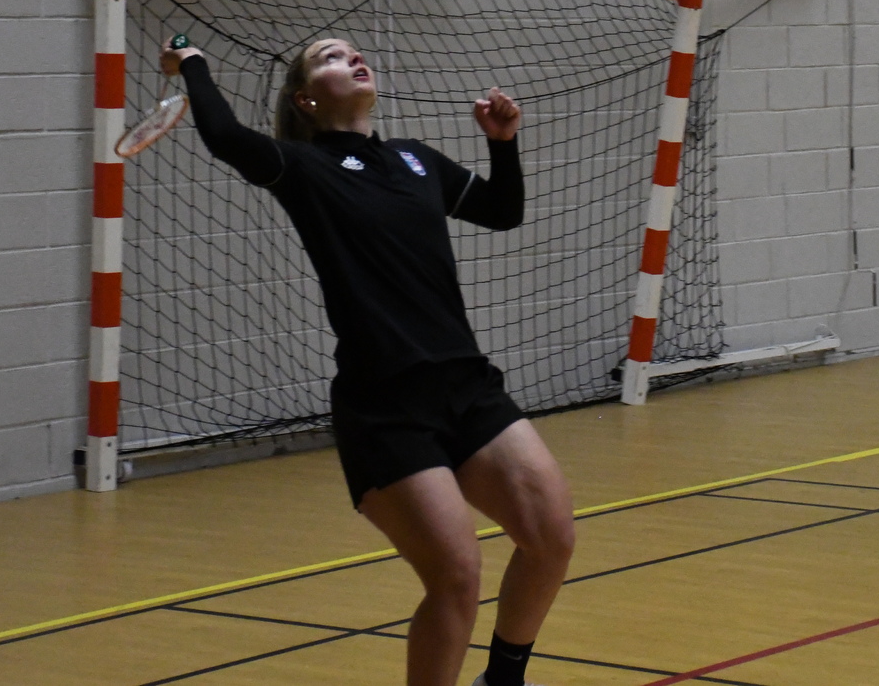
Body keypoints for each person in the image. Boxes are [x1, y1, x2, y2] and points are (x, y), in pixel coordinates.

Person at [162, 37, 575, 686]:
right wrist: (191, 63)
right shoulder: (302, 166)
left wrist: (503, 143)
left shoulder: (417, 159)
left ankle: (503, 680)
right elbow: (223, 136)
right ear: (305, 99)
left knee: (552, 536)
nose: (351, 59)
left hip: (466, 384)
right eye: (329, 57)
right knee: (456, 575)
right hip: (385, 406)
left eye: (354, 53)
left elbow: (503, 211)